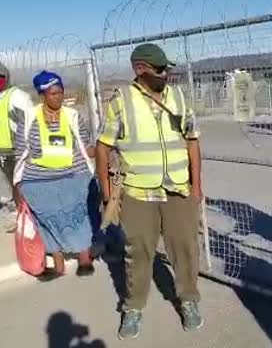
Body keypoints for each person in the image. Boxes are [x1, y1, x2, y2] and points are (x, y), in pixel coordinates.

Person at [95, 43, 203, 340]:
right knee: (138, 251)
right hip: (137, 193)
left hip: (177, 190)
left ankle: (189, 301)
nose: (165, 73)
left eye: (167, 68)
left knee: (184, 247)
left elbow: (192, 140)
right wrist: (107, 193)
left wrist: (197, 186)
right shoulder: (122, 101)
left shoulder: (179, 97)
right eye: (159, 69)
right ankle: (133, 308)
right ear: (140, 69)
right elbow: (103, 147)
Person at [13, 71, 96, 281]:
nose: (58, 97)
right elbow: (21, 151)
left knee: (79, 216)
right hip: (38, 180)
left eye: (60, 92)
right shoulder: (29, 118)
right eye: (52, 94)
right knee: (47, 221)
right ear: (42, 95)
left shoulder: (73, 116)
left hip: (73, 176)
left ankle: (84, 258)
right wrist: (18, 183)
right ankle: (58, 265)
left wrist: (103, 152)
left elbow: (85, 145)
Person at [0, 62, 35, 231]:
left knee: (23, 186)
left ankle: (29, 218)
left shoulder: (17, 96)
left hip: (18, 151)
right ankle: (18, 216)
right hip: (3, 153)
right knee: (11, 187)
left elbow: (30, 121)